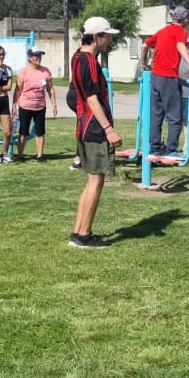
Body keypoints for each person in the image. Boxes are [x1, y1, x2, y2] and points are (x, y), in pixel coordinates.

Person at [69, 16, 123, 248]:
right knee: (96, 181)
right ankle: (84, 235)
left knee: (91, 180)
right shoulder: (89, 61)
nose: (109, 40)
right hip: (93, 127)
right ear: (97, 37)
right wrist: (108, 129)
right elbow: (91, 98)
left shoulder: (77, 57)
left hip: (84, 126)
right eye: (107, 36)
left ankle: (79, 231)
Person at [142, 6, 189, 160]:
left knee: (156, 115)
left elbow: (144, 45)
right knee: (175, 116)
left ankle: (154, 148)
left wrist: (144, 65)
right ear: (185, 19)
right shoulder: (180, 31)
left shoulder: (162, 31)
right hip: (168, 76)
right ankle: (171, 150)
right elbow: (181, 46)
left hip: (155, 76)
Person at [13, 47, 56, 161]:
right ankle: (20, 155)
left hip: (40, 106)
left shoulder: (45, 71)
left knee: (40, 131)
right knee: (23, 131)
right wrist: (14, 104)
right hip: (25, 105)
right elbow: (18, 89)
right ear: (30, 57)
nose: (38, 58)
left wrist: (54, 104)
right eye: (36, 56)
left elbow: (50, 89)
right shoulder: (24, 71)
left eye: (40, 56)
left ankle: (40, 155)